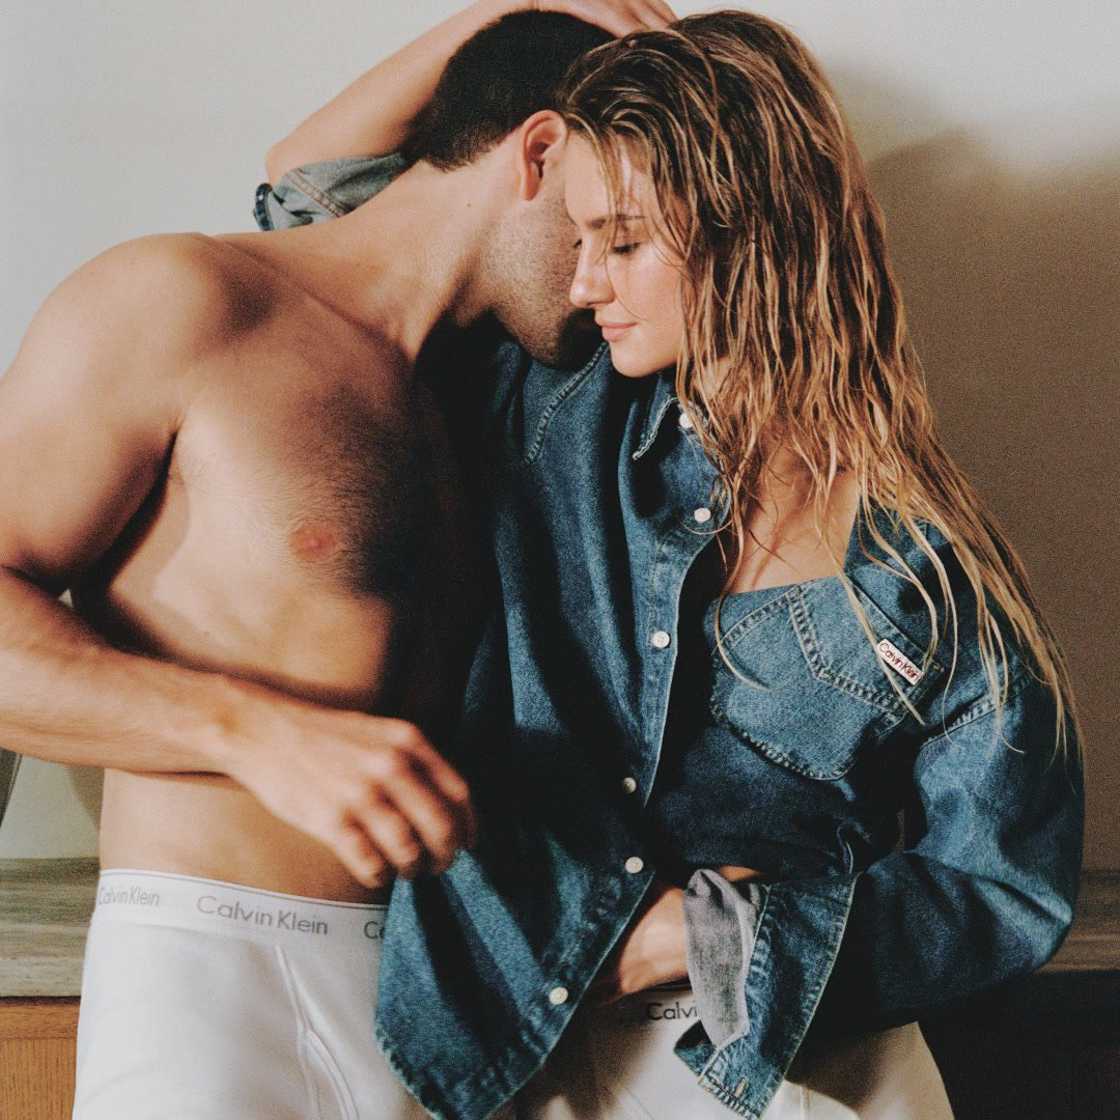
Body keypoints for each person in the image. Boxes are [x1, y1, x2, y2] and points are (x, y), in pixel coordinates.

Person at [260, 6, 1084, 1119]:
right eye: (579, 236)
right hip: (526, 1058)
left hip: (798, 1079)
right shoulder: (549, 407)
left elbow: (1006, 890)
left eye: (624, 241)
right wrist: (524, 6)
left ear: (752, 236)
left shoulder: (927, 570)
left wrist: (701, 938)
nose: (582, 281)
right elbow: (309, 194)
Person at [0, 6, 669, 1118]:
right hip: (212, 967)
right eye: (608, 220)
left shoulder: (486, 396)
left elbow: (310, 163)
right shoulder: (185, 300)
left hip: (445, 999)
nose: (609, 267)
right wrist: (250, 731)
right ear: (541, 151)